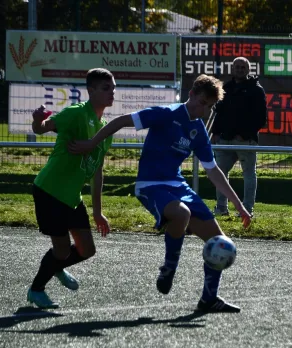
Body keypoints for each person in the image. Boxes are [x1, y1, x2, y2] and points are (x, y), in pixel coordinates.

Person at [68, 74, 252, 313]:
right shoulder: (165, 114)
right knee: (181, 214)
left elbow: (213, 171)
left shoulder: (198, 130)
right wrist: (92, 143)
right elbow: (121, 121)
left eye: (209, 106)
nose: (204, 109)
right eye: (201, 102)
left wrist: (238, 206)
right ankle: (169, 267)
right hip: (150, 185)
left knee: (220, 243)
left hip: (177, 186)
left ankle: (209, 299)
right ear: (191, 95)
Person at [27, 68, 116, 309]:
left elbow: (97, 171)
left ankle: (57, 265)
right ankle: (36, 290)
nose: (112, 93)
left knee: (87, 250)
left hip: (72, 197)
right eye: (106, 88)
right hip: (50, 191)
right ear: (91, 90)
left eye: (113, 88)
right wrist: (37, 120)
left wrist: (98, 212)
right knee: (63, 250)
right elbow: (42, 128)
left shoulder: (105, 128)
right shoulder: (76, 113)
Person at [210, 57, 267, 217]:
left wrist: (245, 135)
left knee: (249, 174)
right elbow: (218, 113)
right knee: (220, 173)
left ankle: (247, 210)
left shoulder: (256, 89)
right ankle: (221, 208)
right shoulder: (226, 88)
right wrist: (215, 133)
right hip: (224, 140)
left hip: (246, 141)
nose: (240, 69)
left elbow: (261, 118)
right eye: (237, 67)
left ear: (248, 70)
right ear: (232, 69)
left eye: (243, 67)